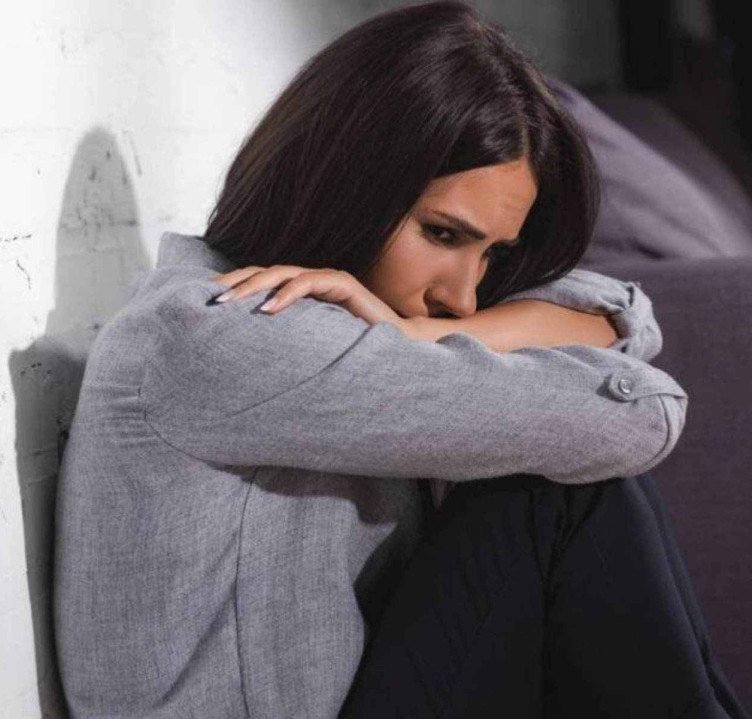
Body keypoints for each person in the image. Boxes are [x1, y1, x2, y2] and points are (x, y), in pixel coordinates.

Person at [52, 1, 749, 716]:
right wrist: (414, 339)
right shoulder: (229, 333)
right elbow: (642, 414)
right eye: (443, 234)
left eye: (492, 254)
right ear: (347, 180)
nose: (462, 296)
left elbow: (621, 316)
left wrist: (412, 334)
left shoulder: (303, 318)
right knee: (562, 493)